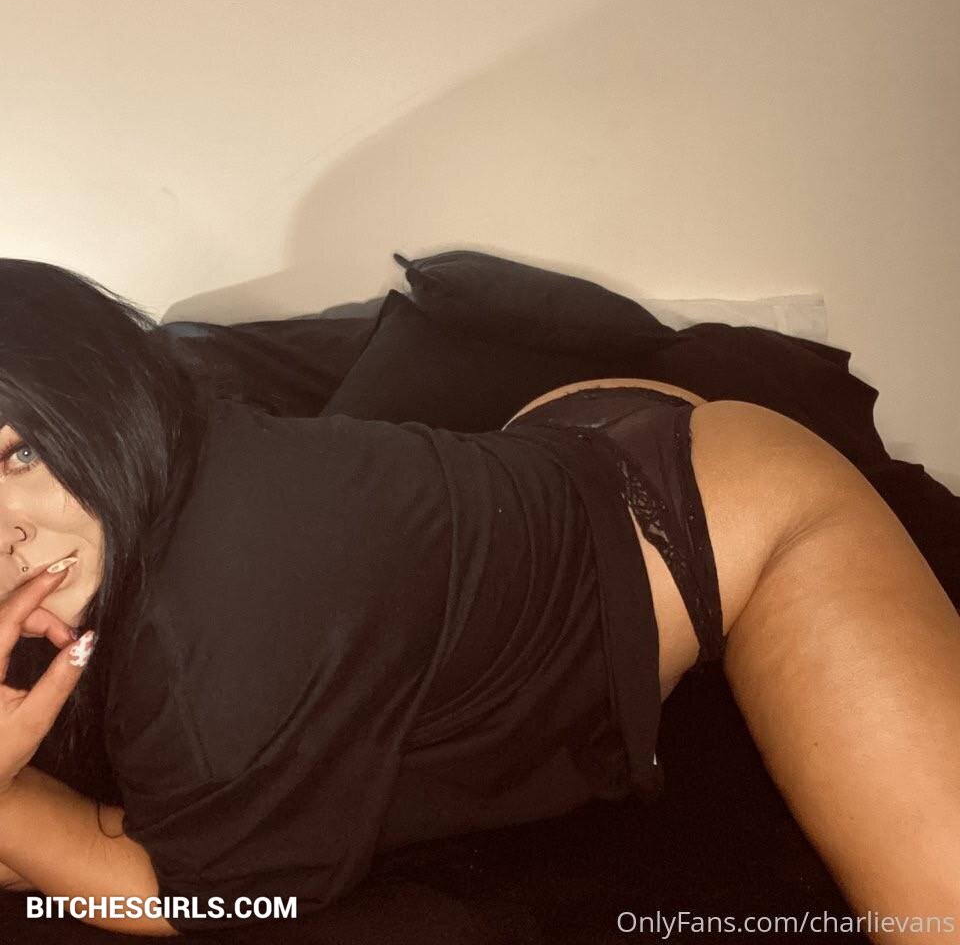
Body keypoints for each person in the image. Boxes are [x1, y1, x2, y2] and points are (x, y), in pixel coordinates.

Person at [0, 259, 957, 942]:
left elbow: (206, 898)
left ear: (97, 398)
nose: (3, 536)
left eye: (19, 454)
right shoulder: (152, 476)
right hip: (552, 445)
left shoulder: (213, 622)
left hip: (729, 520)